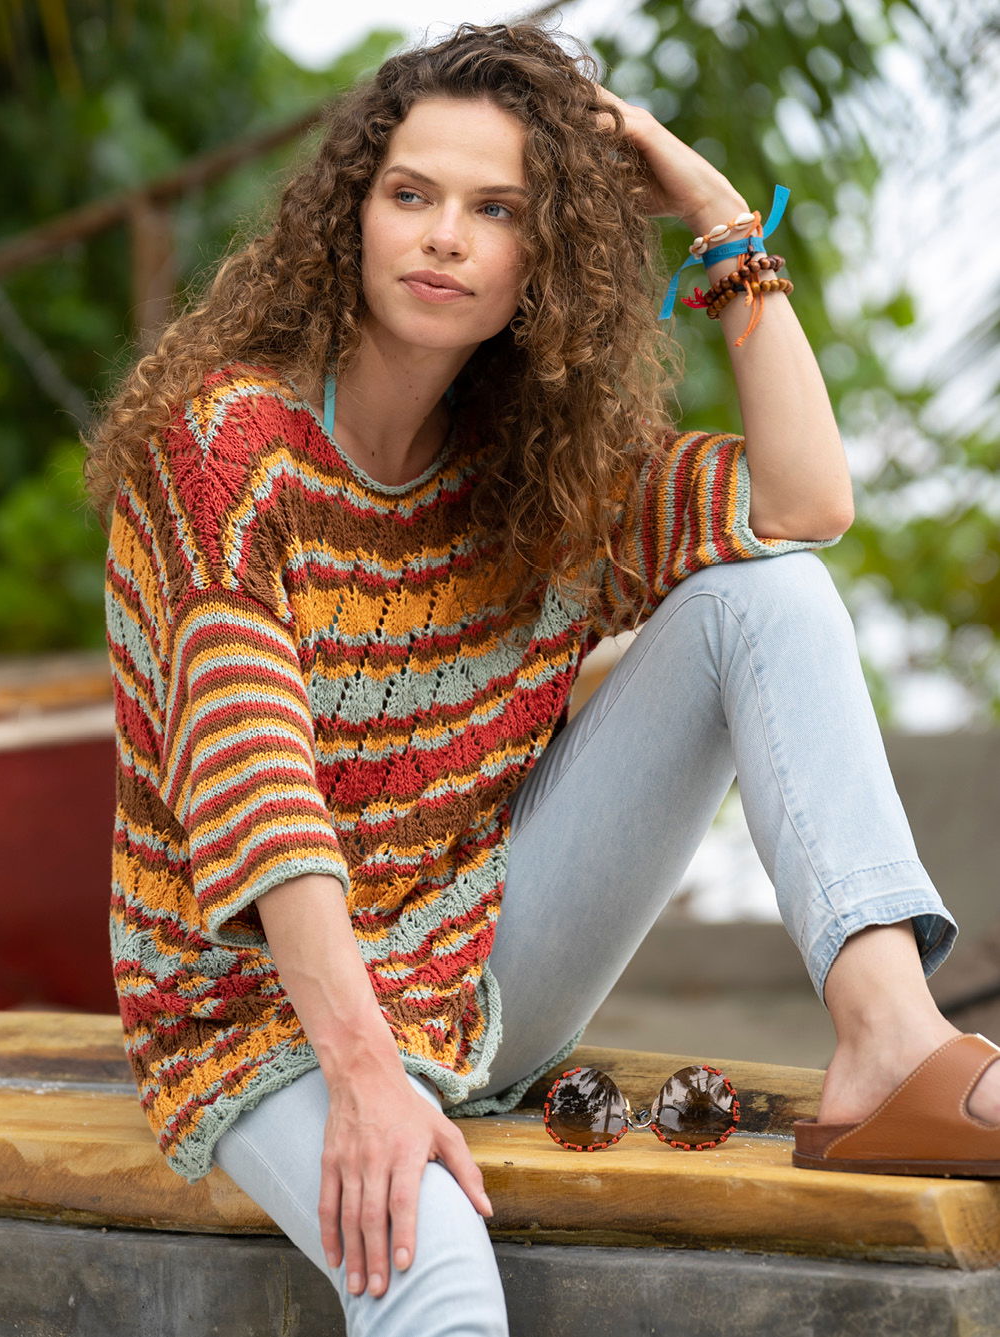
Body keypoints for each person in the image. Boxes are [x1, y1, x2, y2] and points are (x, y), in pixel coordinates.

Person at [85, 22, 1000, 1336]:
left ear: (548, 255)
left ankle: (892, 1039)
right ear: (352, 216)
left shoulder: (538, 473)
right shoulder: (230, 450)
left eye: (498, 209)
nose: (444, 237)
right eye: (411, 195)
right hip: (264, 1015)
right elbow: (256, 790)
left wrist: (721, 220)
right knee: (438, 1279)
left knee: (768, 592)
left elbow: (804, 505)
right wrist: (366, 1078)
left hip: (474, 967)